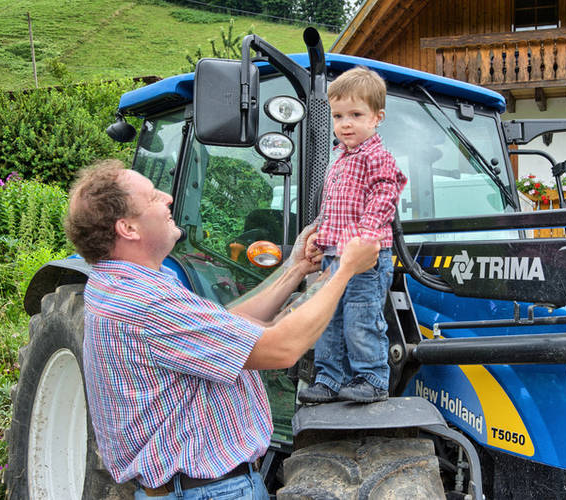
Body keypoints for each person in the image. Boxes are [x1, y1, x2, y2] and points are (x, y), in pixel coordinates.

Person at [63, 159, 381, 499]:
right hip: (210, 492)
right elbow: (282, 348)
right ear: (128, 228)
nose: (168, 198)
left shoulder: (120, 285)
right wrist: (345, 269)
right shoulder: (146, 302)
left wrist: (297, 267)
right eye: (154, 197)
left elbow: (225, 327)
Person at [297, 67, 407, 405]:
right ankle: (330, 379)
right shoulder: (339, 159)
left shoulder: (377, 157)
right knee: (329, 320)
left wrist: (365, 235)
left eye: (355, 115)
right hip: (333, 256)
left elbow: (386, 195)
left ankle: (372, 378)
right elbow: (332, 204)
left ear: (377, 117)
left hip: (364, 260)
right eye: (338, 116)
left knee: (361, 320)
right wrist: (318, 233)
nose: (345, 123)